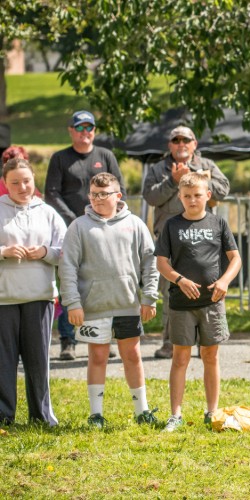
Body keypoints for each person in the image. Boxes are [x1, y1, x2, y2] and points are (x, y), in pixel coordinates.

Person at [59, 173, 160, 428]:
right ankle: (96, 415)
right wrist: (72, 303)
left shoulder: (135, 224)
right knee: (97, 357)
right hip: (92, 308)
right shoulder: (79, 226)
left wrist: (149, 297)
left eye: (104, 194)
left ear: (118, 196)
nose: (98, 199)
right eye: (94, 194)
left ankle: (142, 411)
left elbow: (151, 262)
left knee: (132, 355)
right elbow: (67, 266)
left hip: (127, 304)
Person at [155, 172, 241, 432]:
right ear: (180, 197)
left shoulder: (219, 224)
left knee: (210, 355)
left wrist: (224, 281)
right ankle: (175, 415)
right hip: (181, 303)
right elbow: (161, 263)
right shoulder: (172, 226)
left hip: (212, 302)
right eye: (187, 196)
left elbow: (235, 259)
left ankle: (212, 411)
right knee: (180, 357)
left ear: (208, 196)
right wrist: (179, 279)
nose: (192, 200)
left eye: (197, 195)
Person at [143, 126, 230, 359]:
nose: (181, 143)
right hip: (169, 239)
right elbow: (150, 196)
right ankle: (170, 343)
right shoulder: (158, 168)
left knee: (206, 288)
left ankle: (206, 343)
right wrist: (172, 181)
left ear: (195, 144)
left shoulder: (207, 165)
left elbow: (224, 189)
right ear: (169, 144)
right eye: (176, 139)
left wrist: (196, 178)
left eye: (186, 140)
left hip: (205, 238)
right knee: (172, 291)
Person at [45, 110, 126, 361]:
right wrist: (73, 218)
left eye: (89, 128)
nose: (84, 132)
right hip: (73, 229)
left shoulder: (106, 156)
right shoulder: (60, 158)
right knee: (71, 281)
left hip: (105, 228)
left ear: (94, 130)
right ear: (71, 130)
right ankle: (68, 341)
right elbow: (52, 193)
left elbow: (118, 188)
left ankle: (106, 335)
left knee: (105, 279)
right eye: (79, 128)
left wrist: (107, 215)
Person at [0, 158, 66, 427]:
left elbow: (65, 251)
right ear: (5, 184)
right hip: (3, 298)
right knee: (3, 361)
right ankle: (4, 416)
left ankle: (41, 416)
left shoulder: (47, 212)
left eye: (26, 181)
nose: (22, 186)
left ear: (34, 181)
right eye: (15, 182)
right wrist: (2, 252)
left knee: (38, 360)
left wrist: (44, 252)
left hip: (39, 297)